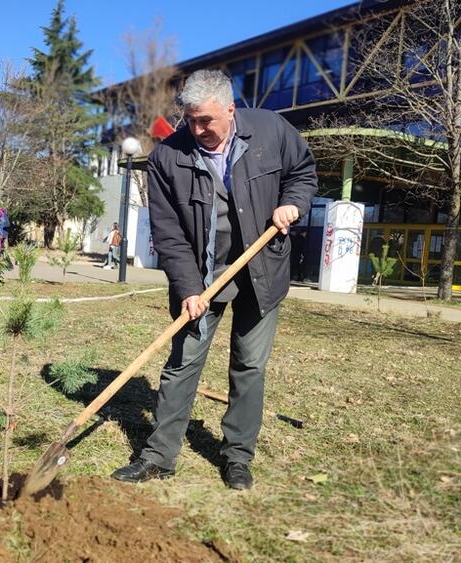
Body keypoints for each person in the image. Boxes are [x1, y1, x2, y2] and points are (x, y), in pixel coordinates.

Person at [111, 70, 317, 489]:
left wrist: (292, 204)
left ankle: (237, 457)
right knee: (183, 364)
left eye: (207, 120)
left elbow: (303, 173)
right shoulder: (168, 157)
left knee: (249, 366)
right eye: (191, 120)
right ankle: (159, 456)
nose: (199, 129)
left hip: (261, 271)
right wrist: (188, 288)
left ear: (230, 109)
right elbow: (168, 233)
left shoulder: (270, 131)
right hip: (202, 276)